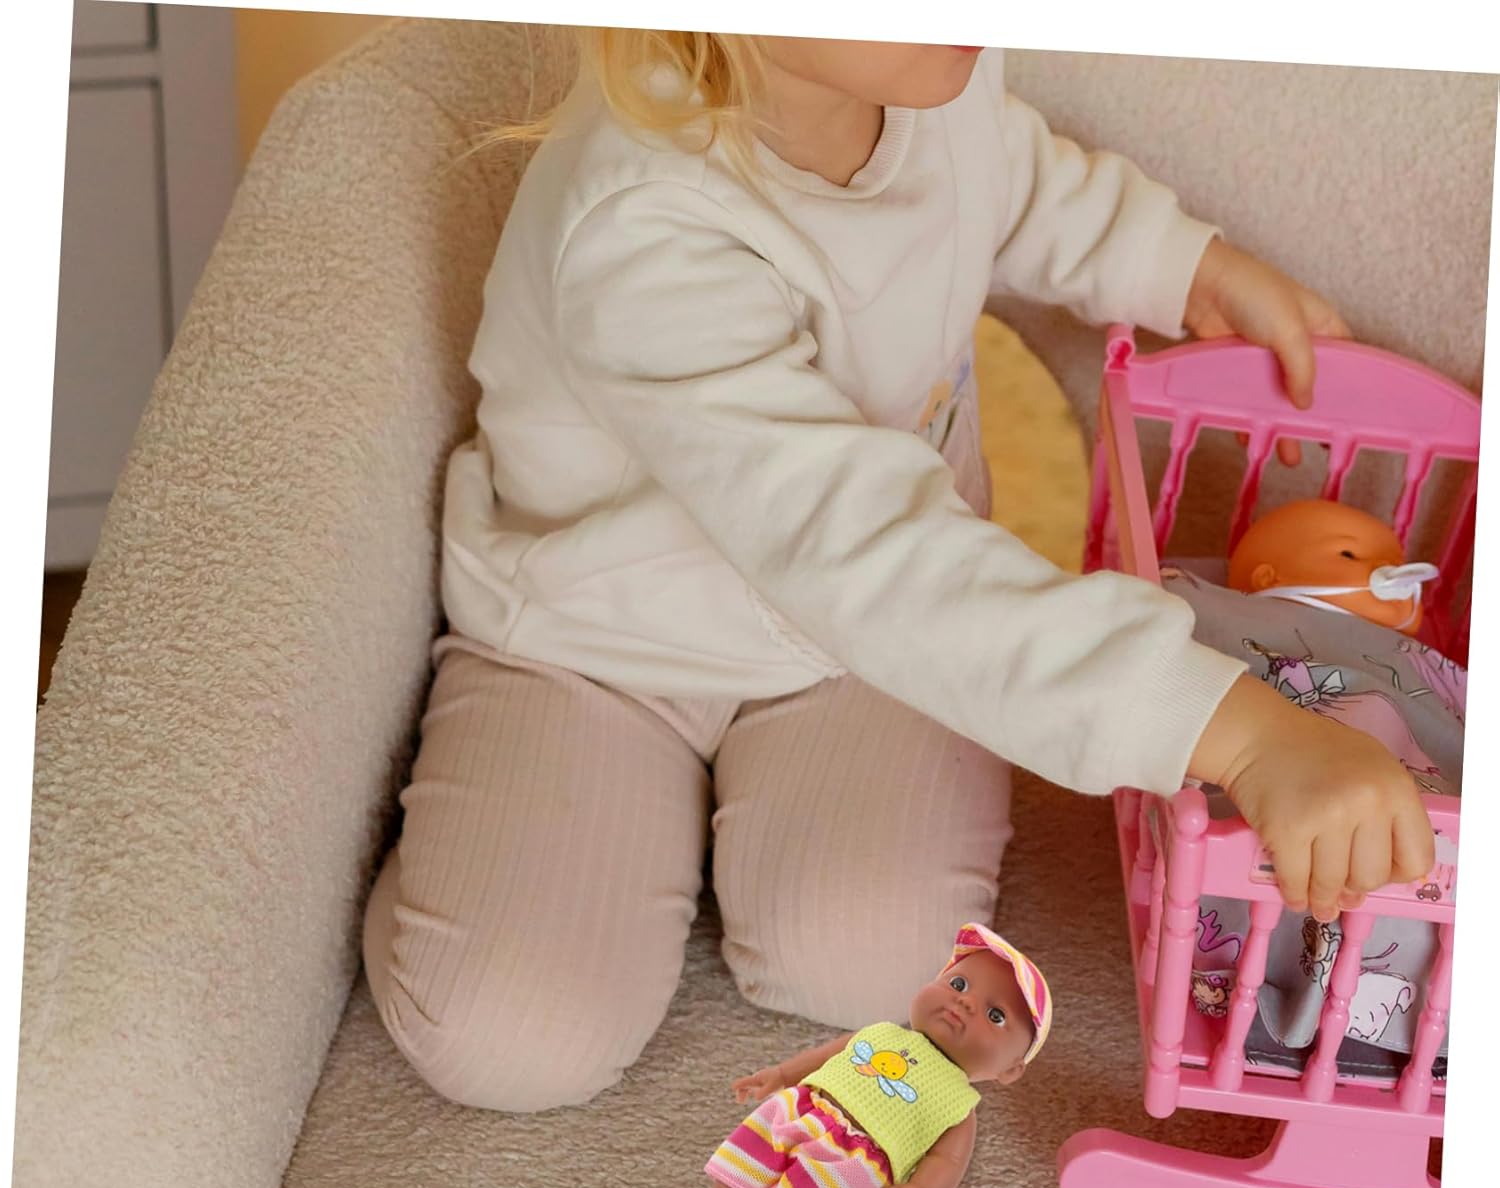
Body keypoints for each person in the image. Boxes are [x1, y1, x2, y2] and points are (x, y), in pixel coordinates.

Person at [360, 32, 1434, 1115]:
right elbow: (876, 559)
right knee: (507, 1032)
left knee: (878, 963)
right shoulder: (641, 221)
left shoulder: (927, 68)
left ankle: (719, 830)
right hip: (599, 649)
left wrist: (1183, 264)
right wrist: (1241, 731)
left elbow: (1008, 176)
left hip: (860, 655)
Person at [679, 923, 1051, 1188]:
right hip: (808, 1105)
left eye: (995, 1015)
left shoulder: (959, 1104)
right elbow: (829, 1054)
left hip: (856, 1160)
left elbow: (948, 1161)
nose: (965, 1002)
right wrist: (781, 1074)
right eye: (958, 983)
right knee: (764, 1130)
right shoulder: (884, 1032)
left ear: (1010, 1070)